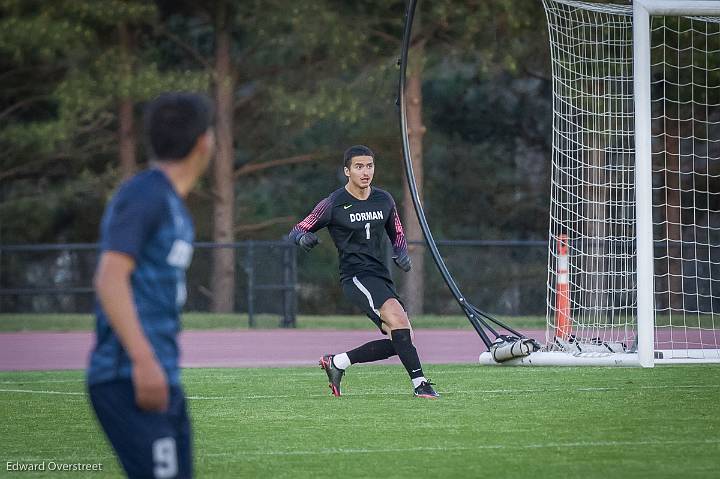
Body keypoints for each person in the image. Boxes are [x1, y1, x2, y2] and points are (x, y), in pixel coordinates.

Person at [87, 92, 215, 478]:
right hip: (127, 376)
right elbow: (110, 277)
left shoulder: (172, 203)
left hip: (163, 375)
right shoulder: (145, 193)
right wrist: (143, 361)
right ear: (203, 142)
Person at [289, 145, 439, 399]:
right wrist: (303, 238)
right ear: (347, 171)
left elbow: (398, 233)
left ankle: (339, 362)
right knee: (400, 323)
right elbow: (299, 229)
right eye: (359, 166)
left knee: (403, 339)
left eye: (369, 166)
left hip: (380, 275)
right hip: (356, 276)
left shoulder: (384, 199)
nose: (365, 171)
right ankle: (421, 385)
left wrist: (401, 252)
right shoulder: (334, 203)